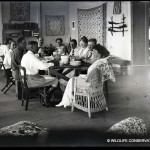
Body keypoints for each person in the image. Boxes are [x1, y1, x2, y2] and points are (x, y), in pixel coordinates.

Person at [21, 41, 58, 107]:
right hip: (32, 80)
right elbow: (42, 66)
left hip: (26, 79)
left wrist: (45, 63)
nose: (38, 48)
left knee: (49, 76)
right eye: (36, 47)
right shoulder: (31, 57)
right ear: (32, 47)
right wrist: (53, 63)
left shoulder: (26, 55)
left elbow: (37, 63)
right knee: (55, 80)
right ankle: (46, 100)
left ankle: (45, 96)